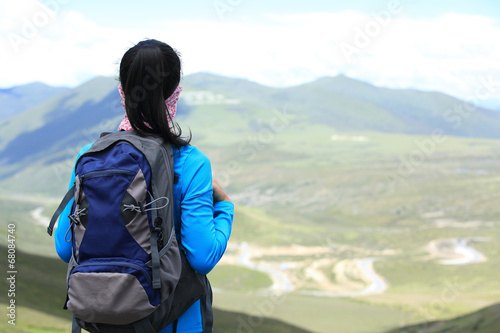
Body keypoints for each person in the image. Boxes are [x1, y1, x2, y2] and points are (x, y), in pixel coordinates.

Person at [54, 39, 234, 333]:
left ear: (122, 91)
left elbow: (65, 247)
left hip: (103, 320)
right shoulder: (191, 163)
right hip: (173, 322)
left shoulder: (90, 155)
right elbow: (202, 257)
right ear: (174, 92)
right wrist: (226, 208)